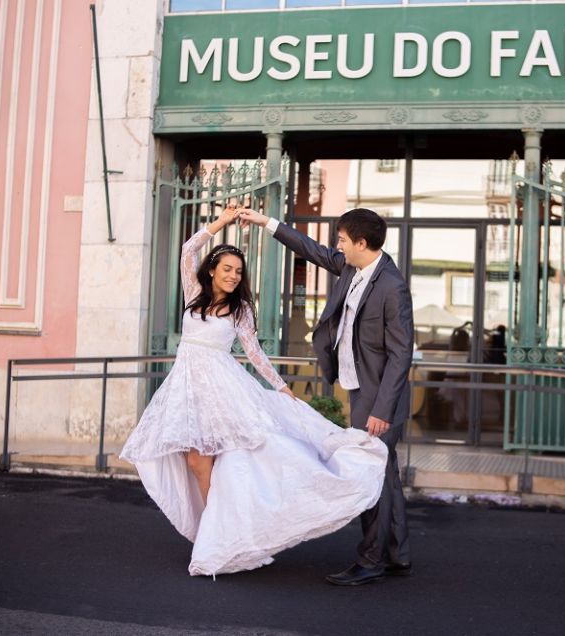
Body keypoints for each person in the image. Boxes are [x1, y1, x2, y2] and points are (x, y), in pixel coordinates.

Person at [119, 206, 388, 578]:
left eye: (238, 272)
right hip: (186, 389)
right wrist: (222, 223)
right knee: (196, 462)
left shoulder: (240, 308)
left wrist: (281, 388)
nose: (233, 276)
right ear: (212, 270)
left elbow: (254, 352)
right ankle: (215, 531)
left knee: (223, 462)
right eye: (227, 269)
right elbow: (187, 250)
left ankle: (220, 538)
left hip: (221, 389)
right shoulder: (193, 293)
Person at [238, 206, 414, 586]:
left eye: (343, 240)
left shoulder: (391, 286)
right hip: (358, 388)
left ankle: (371, 560)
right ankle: (397, 554)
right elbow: (312, 250)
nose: (338, 246)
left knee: (370, 475)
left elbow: (401, 354)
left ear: (362, 243)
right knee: (386, 474)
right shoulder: (352, 268)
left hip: (381, 397)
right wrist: (266, 222)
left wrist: (382, 409)